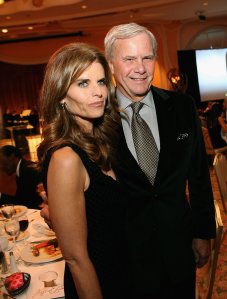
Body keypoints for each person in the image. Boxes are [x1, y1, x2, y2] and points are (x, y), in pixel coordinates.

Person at [41, 23, 216, 298]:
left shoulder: (181, 106)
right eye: (129, 59)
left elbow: (198, 175)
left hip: (178, 246)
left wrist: (203, 232)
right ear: (110, 63)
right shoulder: (97, 119)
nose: (141, 67)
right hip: (127, 259)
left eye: (147, 57)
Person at [37, 43, 131, 299]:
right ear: (61, 96)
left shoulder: (104, 141)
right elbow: (77, 260)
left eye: (101, 82)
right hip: (97, 281)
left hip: (125, 272)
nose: (98, 92)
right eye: (83, 84)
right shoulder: (66, 158)